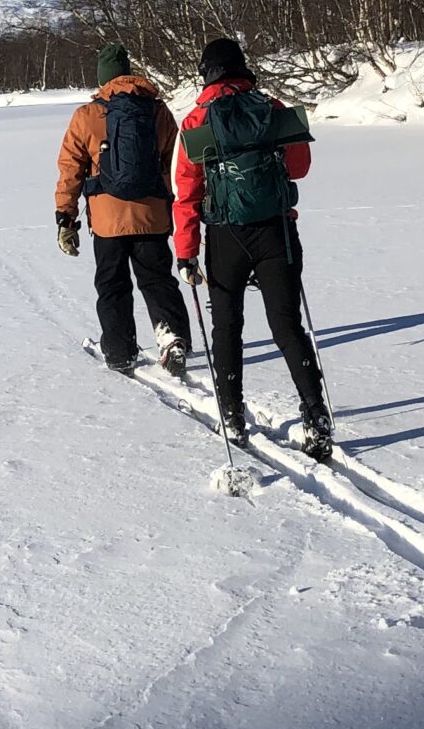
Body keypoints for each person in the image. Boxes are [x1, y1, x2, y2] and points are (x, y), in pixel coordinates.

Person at [173, 37, 330, 461]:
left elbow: (186, 193)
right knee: (287, 325)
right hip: (276, 230)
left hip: (226, 237)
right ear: (242, 68)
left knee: (227, 327)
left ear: (206, 72)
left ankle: (232, 416)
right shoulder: (272, 108)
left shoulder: (195, 122)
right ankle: (316, 416)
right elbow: (299, 167)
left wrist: (186, 251)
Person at [55, 41, 191, 377]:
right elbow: (176, 163)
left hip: (107, 220)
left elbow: (70, 169)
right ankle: (171, 335)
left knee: (112, 284)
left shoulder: (87, 116)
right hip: (153, 216)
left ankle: (118, 350)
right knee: (158, 280)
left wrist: (65, 217)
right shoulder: (157, 111)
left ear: (102, 78)